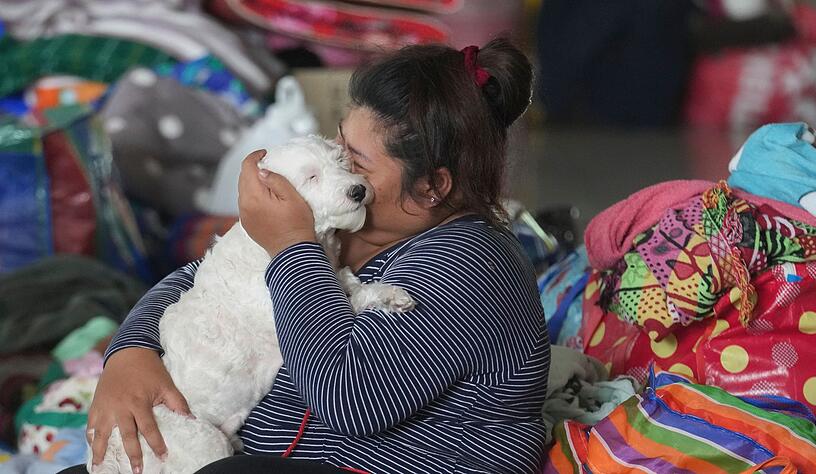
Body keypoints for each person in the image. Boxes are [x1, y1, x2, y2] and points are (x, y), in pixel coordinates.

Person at [64, 37, 549, 474]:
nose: (337, 167)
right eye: (339, 145)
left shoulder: (471, 264)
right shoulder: (360, 228)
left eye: (355, 163)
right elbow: (211, 279)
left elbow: (351, 399)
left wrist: (291, 245)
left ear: (430, 187)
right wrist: (129, 354)